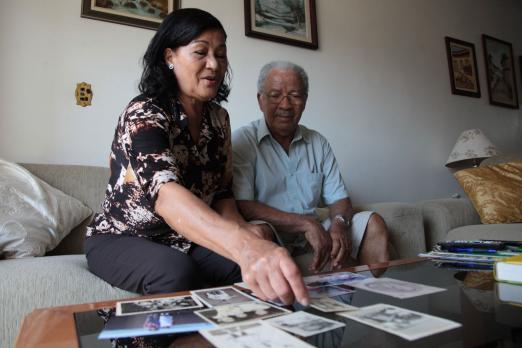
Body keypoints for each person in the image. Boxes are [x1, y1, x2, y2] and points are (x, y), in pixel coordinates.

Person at [85, 10, 308, 306]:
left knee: (243, 270)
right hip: (122, 237)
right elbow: (165, 196)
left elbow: (223, 196)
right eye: (200, 52)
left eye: (221, 54)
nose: (214, 64)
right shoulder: (144, 113)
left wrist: (247, 235)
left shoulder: (218, 119)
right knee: (175, 272)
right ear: (169, 57)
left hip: (184, 239)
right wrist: (242, 245)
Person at [232, 61, 390, 275]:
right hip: (273, 233)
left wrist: (339, 222)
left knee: (373, 222)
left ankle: (372, 296)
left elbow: (339, 199)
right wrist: (304, 224)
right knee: (257, 232)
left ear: (305, 101)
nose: (286, 105)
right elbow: (244, 205)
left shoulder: (318, 142)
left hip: (316, 232)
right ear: (261, 100)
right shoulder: (243, 140)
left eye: (295, 96)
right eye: (275, 95)